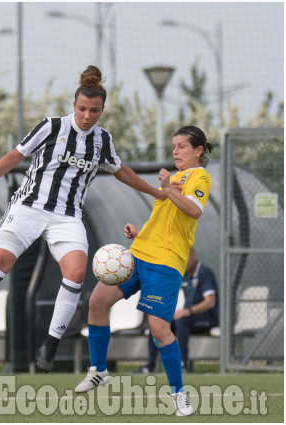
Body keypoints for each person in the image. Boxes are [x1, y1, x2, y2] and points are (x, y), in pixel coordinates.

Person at [0, 65, 167, 373]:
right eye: (83, 109)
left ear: (102, 110)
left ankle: (50, 346)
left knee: (75, 273)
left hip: (67, 216)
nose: (87, 115)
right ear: (74, 106)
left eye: (94, 110)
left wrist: (155, 191)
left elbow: (120, 170)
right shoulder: (50, 127)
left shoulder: (102, 140)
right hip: (29, 207)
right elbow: (14, 157)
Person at [74, 126, 213, 417]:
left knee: (160, 329)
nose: (176, 151)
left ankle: (178, 395)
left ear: (198, 151)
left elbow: (193, 210)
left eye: (182, 146)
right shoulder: (173, 178)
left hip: (166, 263)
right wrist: (140, 233)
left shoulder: (199, 176)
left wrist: (167, 186)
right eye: (173, 146)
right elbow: (165, 222)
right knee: (97, 302)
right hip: (139, 254)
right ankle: (99, 370)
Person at [135, 248, 218, 374]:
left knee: (181, 321)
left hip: (207, 318)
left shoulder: (205, 273)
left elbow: (210, 302)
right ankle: (151, 365)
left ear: (193, 257)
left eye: (183, 259)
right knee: (157, 322)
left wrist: (187, 311)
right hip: (189, 317)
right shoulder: (183, 275)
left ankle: (182, 364)